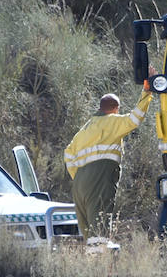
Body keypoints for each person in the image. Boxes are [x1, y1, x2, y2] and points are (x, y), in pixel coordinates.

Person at [64, 85, 152, 236]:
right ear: (116, 109)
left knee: (87, 230)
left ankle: (92, 257)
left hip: (79, 183)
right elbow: (135, 118)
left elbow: (68, 154)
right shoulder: (112, 121)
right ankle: (101, 256)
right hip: (100, 175)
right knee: (100, 225)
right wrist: (147, 92)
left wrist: (78, 176)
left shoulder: (84, 129)